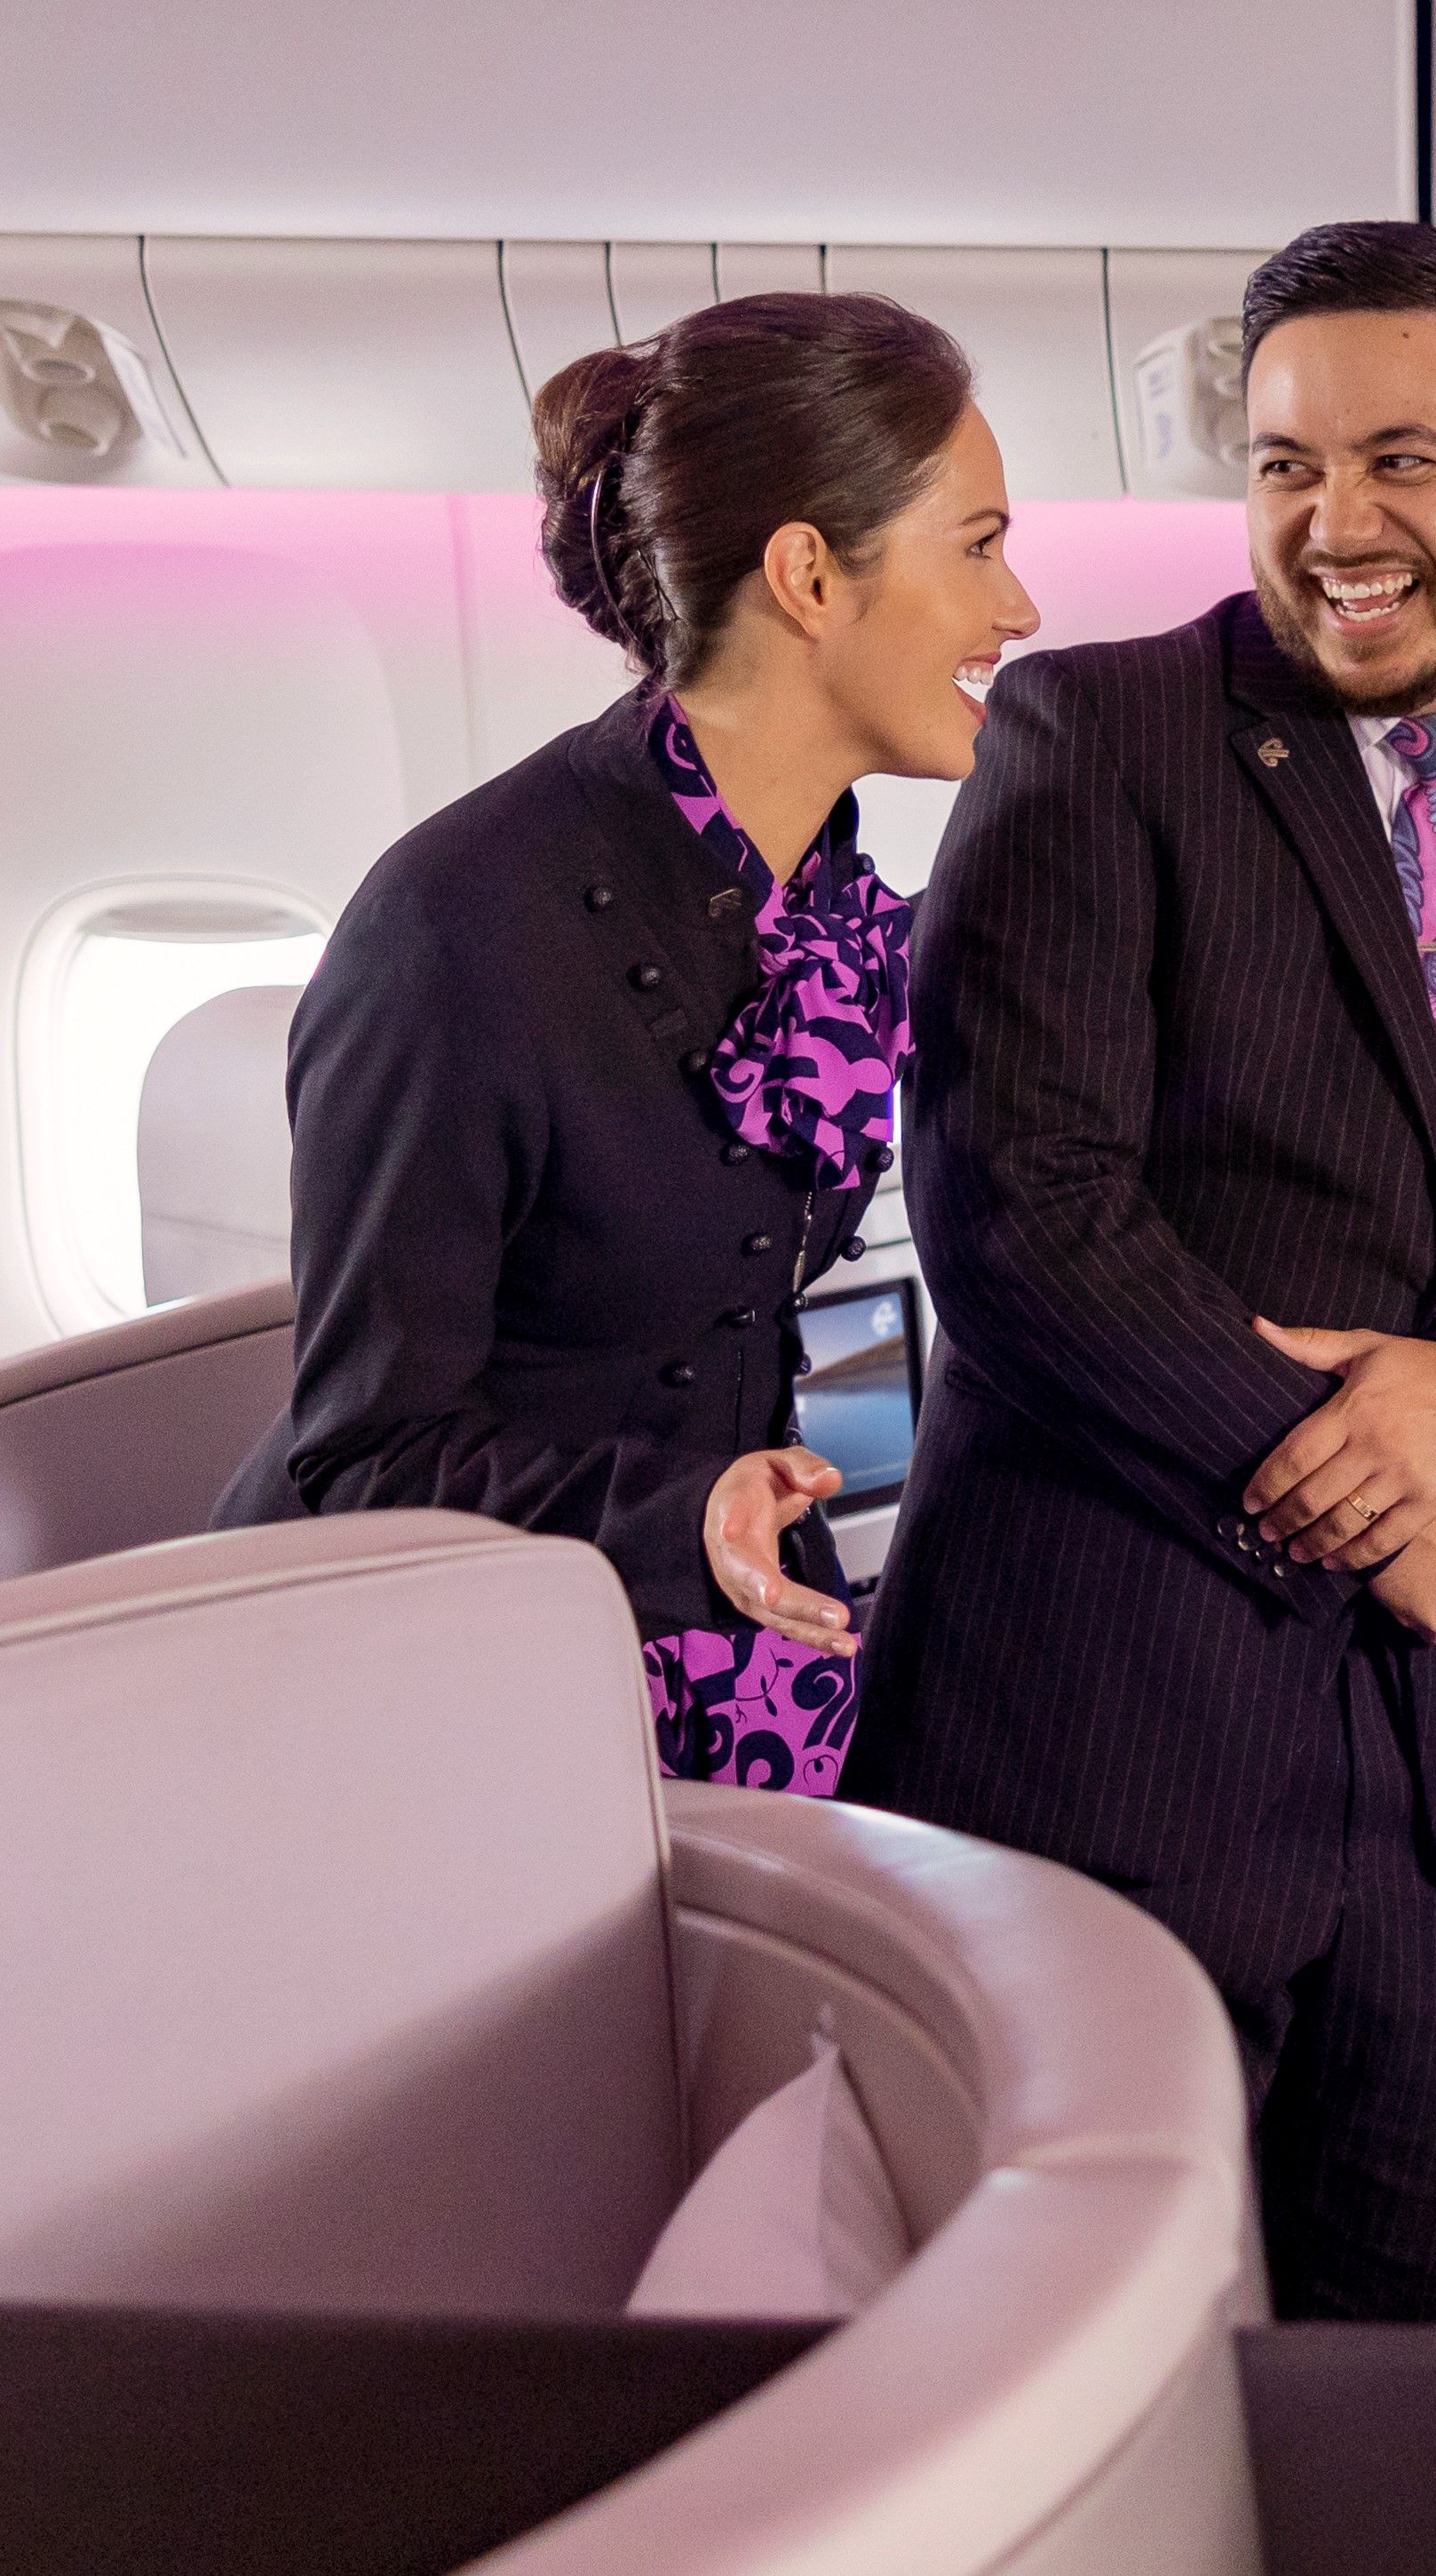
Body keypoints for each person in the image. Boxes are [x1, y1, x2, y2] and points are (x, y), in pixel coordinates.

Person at [838, 220, 1436, 2324]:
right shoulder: (1095, 738)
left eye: (1401, 460)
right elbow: (1021, 1214)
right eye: (1284, 463)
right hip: (1102, 1751)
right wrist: (1379, 1495)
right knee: (1063, 2402)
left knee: (1419, 2425)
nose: (1338, 526)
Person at [225, 293, 1036, 1792]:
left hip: (710, 1627)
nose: (1019, 611)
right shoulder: (456, 934)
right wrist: (683, 1516)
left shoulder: (833, 903)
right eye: (978, 548)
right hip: (424, 1694)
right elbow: (362, 1461)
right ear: (808, 574)